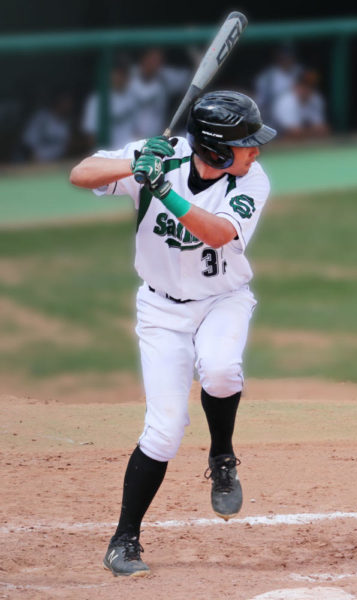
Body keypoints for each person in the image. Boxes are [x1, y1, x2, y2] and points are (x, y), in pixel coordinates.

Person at [69, 90, 276, 577]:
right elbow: (81, 174)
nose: (257, 151)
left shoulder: (251, 181)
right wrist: (133, 165)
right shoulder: (159, 156)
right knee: (163, 432)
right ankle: (124, 541)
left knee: (222, 370)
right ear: (218, 149)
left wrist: (162, 190)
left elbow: (218, 234)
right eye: (247, 143)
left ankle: (222, 456)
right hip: (161, 311)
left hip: (223, 300)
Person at [127, 47, 192, 139]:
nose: (155, 63)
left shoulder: (164, 77)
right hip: (128, 138)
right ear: (143, 59)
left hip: (156, 138)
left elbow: (190, 78)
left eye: (158, 60)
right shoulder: (129, 76)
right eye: (152, 59)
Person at [81, 57, 137, 150]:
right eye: (119, 73)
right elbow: (90, 134)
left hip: (129, 153)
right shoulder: (96, 99)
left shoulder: (132, 96)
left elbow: (137, 130)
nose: (122, 77)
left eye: (124, 73)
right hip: (106, 155)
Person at [271, 70, 330, 139]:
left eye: (311, 86)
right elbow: (292, 132)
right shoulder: (286, 102)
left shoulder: (316, 99)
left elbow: (322, 128)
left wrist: (308, 132)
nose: (307, 89)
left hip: (305, 141)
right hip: (277, 141)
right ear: (296, 86)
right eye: (304, 85)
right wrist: (313, 131)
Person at [254, 44, 304, 124]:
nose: (286, 58)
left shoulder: (300, 71)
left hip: (300, 111)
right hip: (273, 117)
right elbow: (261, 102)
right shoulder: (267, 76)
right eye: (283, 55)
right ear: (277, 56)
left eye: (289, 55)